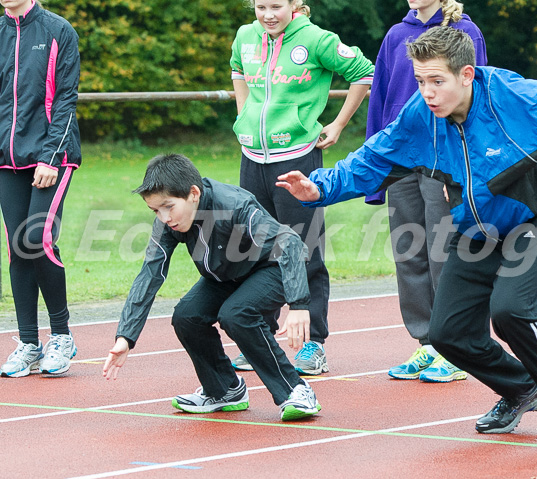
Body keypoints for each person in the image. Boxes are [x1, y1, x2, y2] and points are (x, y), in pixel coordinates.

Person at [277, 27, 537, 448]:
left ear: (467, 75)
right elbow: (374, 158)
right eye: (420, 81)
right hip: (475, 229)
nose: (427, 93)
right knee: (447, 333)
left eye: (437, 81)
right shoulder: (421, 117)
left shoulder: (511, 97)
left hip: (533, 218)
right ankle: (522, 388)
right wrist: (320, 188)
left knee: (511, 311)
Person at [102, 154, 321, 421]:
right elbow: (150, 274)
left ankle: (296, 390)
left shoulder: (234, 206)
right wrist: (125, 337)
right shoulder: (168, 222)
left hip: (272, 268)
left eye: (168, 207)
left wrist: (298, 305)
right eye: (155, 211)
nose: (163, 217)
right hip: (226, 276)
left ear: (193, 193)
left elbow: (290, 243)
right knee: (186, 316)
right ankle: (225, 390)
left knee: (236, 314)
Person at [228, 0, 374, 376]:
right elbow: (237, 70)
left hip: (296, 158)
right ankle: (260, 336)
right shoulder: (246, 36)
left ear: (294, 6)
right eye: (261, 6)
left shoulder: (316, 39)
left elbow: (364, 73)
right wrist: (244, 115)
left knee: (303, 247)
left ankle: (314, 343)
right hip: (252, 158)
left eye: (277, 5)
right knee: (258, 250)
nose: (268, 14)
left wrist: (339, 124)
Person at [364, 0, 486, 383]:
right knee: (409, 250)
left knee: (443, 249)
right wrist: (374, 171)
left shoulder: (465, 32)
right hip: (402, 159)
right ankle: (427, 341)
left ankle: (457, 345)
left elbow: (479, 99)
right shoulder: (396, 35)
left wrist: (469, 170)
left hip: (445, 157)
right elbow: (380, 101)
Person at [0, 0, 81, 377]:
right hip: (6, 158)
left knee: (37, 239)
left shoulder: (57, 30)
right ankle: (29, 342)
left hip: (52, 155)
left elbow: (66, 98)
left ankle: (62, 336)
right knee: (18, 247)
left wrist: (50, 156)